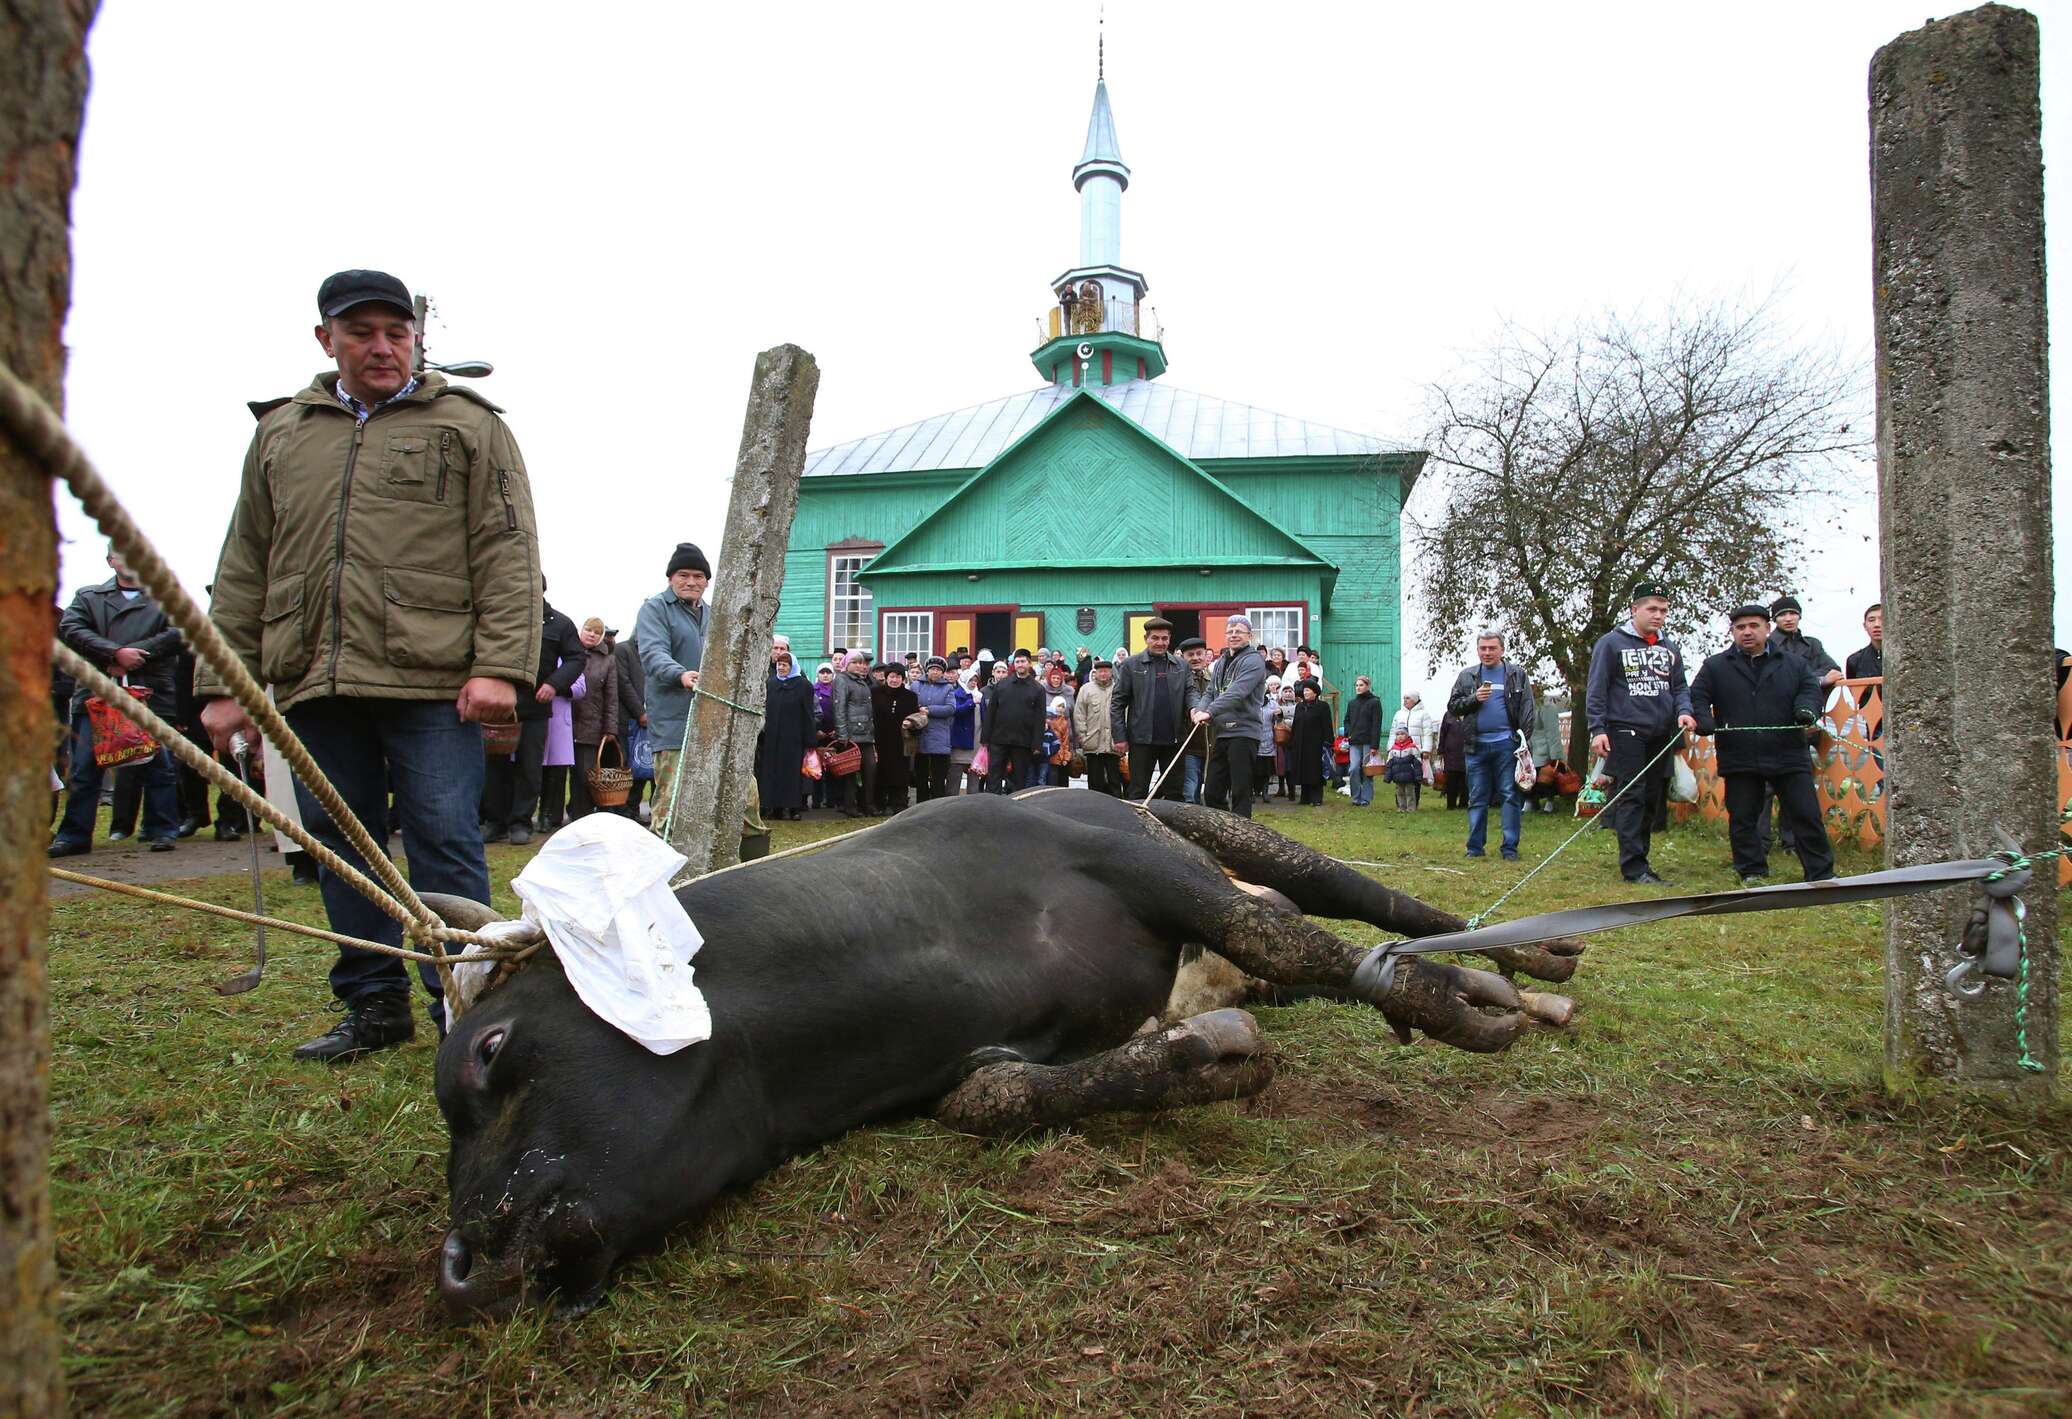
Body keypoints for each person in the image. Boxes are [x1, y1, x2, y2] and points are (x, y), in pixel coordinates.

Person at [198, 268, 540, 1061]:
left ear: (417, 338)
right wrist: (223, 682)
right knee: (336, 845)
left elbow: (508, 548)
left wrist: (499, 666)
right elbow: (246, 560)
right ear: (327, 340)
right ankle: (373, 1002)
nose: (382, 347)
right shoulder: (282, 433)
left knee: (444, 838)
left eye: (397, 332)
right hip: (312, 674)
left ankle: (467, 1004)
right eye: (362, 332)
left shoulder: (468, 423)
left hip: (432, 679)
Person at [50, 548, 186, 856]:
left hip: (149, 693)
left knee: (159, 764)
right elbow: (71, 628)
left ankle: (162, 829)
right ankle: (74, 835)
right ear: (110, 560)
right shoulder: (88, 597)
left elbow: (180, 630)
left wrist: (134, 654)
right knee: (85, 767)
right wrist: (112, 653)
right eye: (119, 553)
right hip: (96, 694)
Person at [1690, 604, 1836, 884]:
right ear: (1732, 632)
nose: (1747, 632)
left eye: (1754, 626)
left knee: (1806, 814)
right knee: (1743, 817)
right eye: (1740, 627)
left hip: (1788, 753)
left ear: (1767, 629)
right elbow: (1697, 695)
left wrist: (1806, 709)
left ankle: (1821, 873)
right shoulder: (1716, 666)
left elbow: (1810, 690)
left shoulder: (1794, 664)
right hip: (1739, 754)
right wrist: (1703, 719)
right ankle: (1751, 870)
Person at [1585, 581, 1697, 885]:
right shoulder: (1611, 644)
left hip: (1661, 733)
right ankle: (1633, 867)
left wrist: (1684, 711)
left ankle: (1642, 860)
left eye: (1663, 610)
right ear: (1635, 610)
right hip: (1625, 730)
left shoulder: (1669, 647)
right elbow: (1597, 689)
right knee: (1632, 797)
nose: (1658, 615)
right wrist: (1597, 728)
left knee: (1651, 799)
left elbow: (1679, 687)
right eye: (1652, 609)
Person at [483, 586, 583, 843]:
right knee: (495, 767)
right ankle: (496, 822)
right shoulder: (498, 617)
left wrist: (554, 683)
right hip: (499, 705)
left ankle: (521, 823)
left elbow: (575, 658)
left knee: (529, 766)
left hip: (535, 707)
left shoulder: (559, 624)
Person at [635, 542, 711, 831]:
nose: (691, 581)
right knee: (671, 800)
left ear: (706, 581)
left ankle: (743, 869)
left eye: (698, 576)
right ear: (670, 578)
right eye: (683, 575)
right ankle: (662, 867)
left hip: (711, 720)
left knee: (741, 796)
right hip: (673, 721)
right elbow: (653, 654)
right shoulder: (654, 610)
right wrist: (681, 675)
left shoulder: (713, 614)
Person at [1446, 632, 1536, 861]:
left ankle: (1510, 849)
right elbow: (1454, 707)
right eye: (1483, 648)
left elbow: (1527, 709)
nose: (1487, 652)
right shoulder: (1467, 676)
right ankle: (1475, 848)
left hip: (1507, 745)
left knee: (1509, 795)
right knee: (1477, 797)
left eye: (1492, 648)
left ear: (1502, 650)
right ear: (1477, 650)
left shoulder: (1516, 674)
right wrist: (1475, 698)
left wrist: (1523, 742)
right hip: (1475, 747)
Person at [1110, 617, 1189, 800]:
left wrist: (1196, 709)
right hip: (1141, 739)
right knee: (1137, 790)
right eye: (1155, 638)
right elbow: (1117, 703)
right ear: (1146, 638)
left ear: (1169, 640)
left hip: (1174, 739)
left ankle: (1169, 828)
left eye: (1164, 638)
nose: (1160, 643)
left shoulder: (1181, 665)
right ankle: (1135, 828)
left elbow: (1190, 692)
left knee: (1175, 792)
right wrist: (1119, 737)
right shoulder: (1131, 665)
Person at [1198, 614, 1267, 817]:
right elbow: (1210, 691)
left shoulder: (1254, 661)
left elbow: (1236, 693)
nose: (1233, 635)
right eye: (1230, 631)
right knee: (1211, 791)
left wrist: (1209, 712)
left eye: (1239, 631)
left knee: (1240, 791)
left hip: (1244, 732)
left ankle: (1242, 835)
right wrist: (1199, 710)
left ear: (1249, 635)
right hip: (1221, 733)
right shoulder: (1221, 662)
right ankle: (1224, 829)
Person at [566, 618, 622, 822]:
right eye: (588, 630)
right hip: (564, 720)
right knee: (554, 774)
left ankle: (583, 816)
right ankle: (551, 815)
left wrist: (610, 728)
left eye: (596, 632)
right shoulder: (568, 651)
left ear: (600, 637)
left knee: (585, 774)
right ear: (581, 630)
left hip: (592, 723)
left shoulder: (608, 660)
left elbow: (612, 696)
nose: (591, 634)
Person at [758, 648, 816, 821]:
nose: (781, 668)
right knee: (771, 772)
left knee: (791, 774)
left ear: (793, 666)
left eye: (785, 665)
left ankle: (792, 808)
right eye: (779, 665)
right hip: (772, 737)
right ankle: (773, 807)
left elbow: (808, 713)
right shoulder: (771, 684)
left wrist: (810, 739)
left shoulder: (803, 685)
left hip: (793, 738)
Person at [534, 645, 587, 833]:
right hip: (533, 716)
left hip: (558, 721)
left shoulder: (567, 661)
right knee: (529, 770)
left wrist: (556, 685)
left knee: (555, 773)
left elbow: (580, 688)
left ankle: (547, 814)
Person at [982, 649, 1046, 794]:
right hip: (999, 739)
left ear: (1029, 663)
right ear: (1013, 664)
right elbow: (991, 711)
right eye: (1017, 662)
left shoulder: (1038, 689)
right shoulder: (1002, 685)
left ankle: (1015, 809)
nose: (1020, 664)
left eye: (1023, 661)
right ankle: (993, 806)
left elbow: (1040, 718)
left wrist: (1037, 744)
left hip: (1023, 742)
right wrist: (985, 738)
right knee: (994, 776)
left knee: (1019, 780)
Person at [910, 657, 968, 804]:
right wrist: (918, 710)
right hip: (919, 735)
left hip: (940, 736)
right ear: (927, 670)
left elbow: (950, 708)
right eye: (932, 669)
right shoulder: (916, 685)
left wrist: (929, 710)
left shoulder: (947, 688)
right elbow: (910, 704)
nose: (935, 672)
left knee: (938, 776)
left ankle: (937, 804)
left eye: (938, 670)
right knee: (921, 775)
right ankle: (921, 804)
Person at [832, 651, 876, 816]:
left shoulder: (862, 681)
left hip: (866, 734)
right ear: (847, 664)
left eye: (861, 663)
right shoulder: (842, 680)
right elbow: (839, 708)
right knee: (850, 772)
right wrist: (842, 734)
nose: (860, 666)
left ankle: (868, 805)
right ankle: (850, 806)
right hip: (851, 734)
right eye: (855, 662)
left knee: (870, 769)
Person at [612, 629, 650, 819]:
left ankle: (646, 809)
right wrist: (640, 712)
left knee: (647, 764)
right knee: (629, 765)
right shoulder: (622, 650)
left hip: (655, 719)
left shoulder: (657, 651)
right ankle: (626, 809)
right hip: (628, 719)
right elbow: (623, 683)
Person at [1073, 659, 1122, 796]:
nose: (1103, 674)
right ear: (1095, 673)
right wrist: (1083, 737)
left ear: (1111, 673)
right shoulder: (1086, 689)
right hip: (1092, 743)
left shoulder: (1118, 689)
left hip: (1114, 743)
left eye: (1106, 671)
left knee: (1115, 781)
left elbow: (1125, 713)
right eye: (1100, 671)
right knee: (1095, 782)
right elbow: (1079, 714)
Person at [1178, 638, 1214, 803]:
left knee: (1204, 786)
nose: (1195, 658)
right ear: (1183, 657)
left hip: (1210, 742)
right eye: (1190, 655)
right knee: (1190, 789)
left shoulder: (1214, 680)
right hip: (1188, 743)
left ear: (1206, 656)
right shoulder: (1178, 681)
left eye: (1199, 654)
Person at [1288, 681, 1332, 806]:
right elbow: (1295, 724)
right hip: (1300, 743)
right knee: (1303, 769)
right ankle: (1305, 797)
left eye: (1308, 690)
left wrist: (1328, 741)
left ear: (1315, 692)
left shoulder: (1322, 706)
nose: (1305, 693)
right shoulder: (1300, 706)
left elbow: (1327, 725)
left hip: (1316, 744)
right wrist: (1292, 741)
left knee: (1315, 770)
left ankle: (1316, 797)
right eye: (1304, 690)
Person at [1844, 603, 1884, 742]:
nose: (1877, 624)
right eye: (1871, 620)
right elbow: (1856, 695)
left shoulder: (1905, 656)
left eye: (1882, 619)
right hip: (1875, 725)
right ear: (1865, 625)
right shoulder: (1854, 661)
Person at [1343, 676, 1383, 808]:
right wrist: (1348, 733)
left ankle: (1365, 798)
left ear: (1368, 686)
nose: (1358, 687)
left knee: (1367, 770)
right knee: (1354, 768)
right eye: (1356, 685)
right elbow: (1347, 720)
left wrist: (1374, 745)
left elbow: (1376, 724)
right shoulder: (1352, 703)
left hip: (1368, 741)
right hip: (1354, 741)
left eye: (1361, 685)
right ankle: (1356, 797)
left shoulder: (1374, 702)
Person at [1525, 687, 1566, 813]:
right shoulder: (1526, 707)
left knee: (1547, 779)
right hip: (1531, 750)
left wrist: (1555, 755)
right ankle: (1531, 801)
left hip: (1544, 750)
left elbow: (1552, 733)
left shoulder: (1547, 707)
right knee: (1530, 779)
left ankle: (1549, 803)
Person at [1438, 711, 1468, 810]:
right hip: (1451, 753)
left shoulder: (1471, 712)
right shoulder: (1448, 715)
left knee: (1465, 780)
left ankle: (1463, 804)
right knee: (1451, 780)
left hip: (1467, 752)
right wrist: (1440, 750)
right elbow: (1443, 733)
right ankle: (1451, 805)